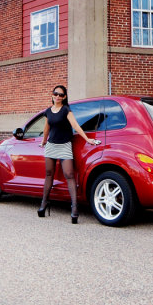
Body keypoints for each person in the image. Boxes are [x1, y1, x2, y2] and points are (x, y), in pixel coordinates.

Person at [37, 85, 100, 223]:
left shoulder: (66, 110)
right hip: (51, 145)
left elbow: (76, 126)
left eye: (61, 95)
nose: (58, 96)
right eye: (56, 94)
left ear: (64, 97)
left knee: (69, 175)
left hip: (65, 145)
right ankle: (44, 203)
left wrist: (87, 139)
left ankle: (74, 208)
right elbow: (46, 128)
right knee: (49, 174)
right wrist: (43, 141)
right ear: (52, 95)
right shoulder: (48, 111)